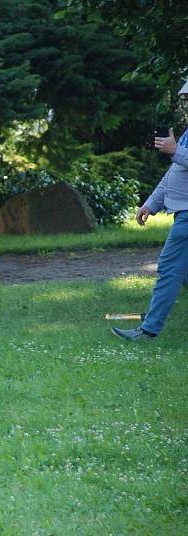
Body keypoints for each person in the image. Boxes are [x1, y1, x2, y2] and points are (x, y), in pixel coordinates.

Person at [112, 80, 188, 341]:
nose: (187, 104)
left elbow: (179, 159)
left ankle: (148, 331)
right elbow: (174, 173)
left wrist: (176, 150)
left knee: (168, 268)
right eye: (186, 99)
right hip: (183, 212)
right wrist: (151, 204)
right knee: (184, 273)